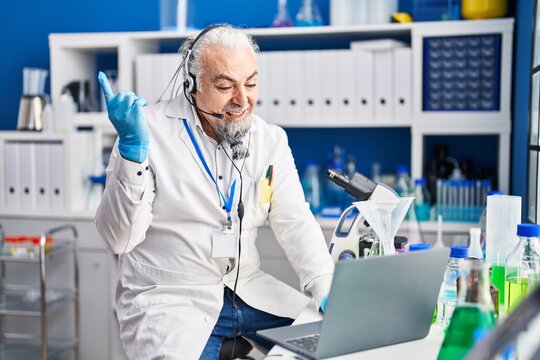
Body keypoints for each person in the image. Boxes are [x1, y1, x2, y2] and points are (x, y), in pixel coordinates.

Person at [95, 24, 334, 359]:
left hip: (247, 291)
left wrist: (325, 284)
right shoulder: (146, 131)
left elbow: (295, 221)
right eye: (225, 86)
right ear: (192, 86)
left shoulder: (269, 139)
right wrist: (132, 153)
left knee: (335, 344)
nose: (242, 99)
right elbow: (118, 239)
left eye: (250, 84)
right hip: (171, 300)